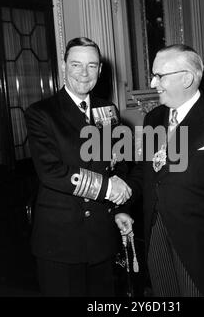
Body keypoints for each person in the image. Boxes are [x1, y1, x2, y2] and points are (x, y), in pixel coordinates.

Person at [125, 44, 204, 297]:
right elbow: (149, 172)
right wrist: (122, 198)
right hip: (156, 233)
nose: (153, 83)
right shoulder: (153, 119)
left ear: (186, 78)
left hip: (201, 243)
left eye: (159, 76)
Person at [24, 37, 133, 297]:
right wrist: (108, 189)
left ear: (100, 70)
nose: (84, 74)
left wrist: (120, 208)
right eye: (76, 65)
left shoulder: (108, 110)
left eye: (92, 66)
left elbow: (118, 164)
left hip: (100, 235)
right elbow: (52, 172)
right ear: (64, 67)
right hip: (61, 239)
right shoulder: (42, 113)